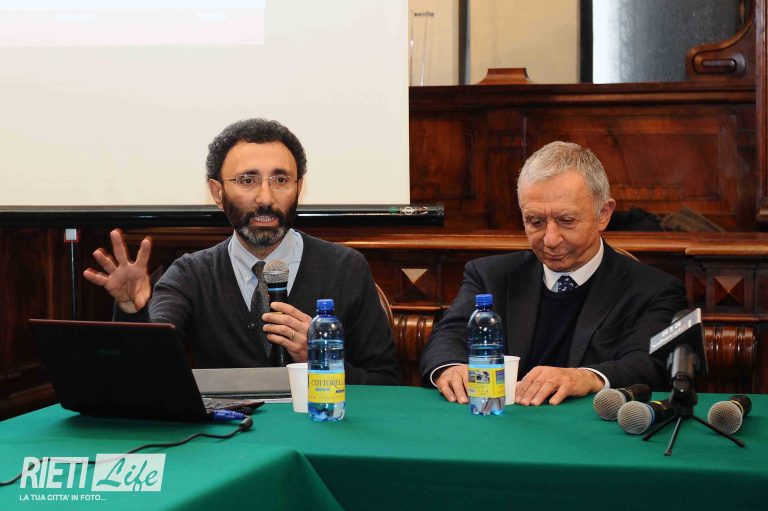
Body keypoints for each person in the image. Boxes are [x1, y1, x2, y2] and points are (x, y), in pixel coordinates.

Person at [84, 118, 400, 385]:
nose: (266, 198)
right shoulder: (191, 275)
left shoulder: (345, 268)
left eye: (281, 180)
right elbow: (148, 370)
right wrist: (132, 311)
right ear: (217, 192)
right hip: (225, 434)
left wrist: (320, 360)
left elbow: (387, 382)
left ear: (298, 187)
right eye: (247, 180)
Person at [419, 141, 687, 405]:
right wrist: (451, 368)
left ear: (603, 214)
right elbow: (447, 338)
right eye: (535, 221)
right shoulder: (490, 275)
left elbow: (648, 365)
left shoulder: (653, 290)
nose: (550, 239)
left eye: (566, 221)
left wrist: (588, 377)